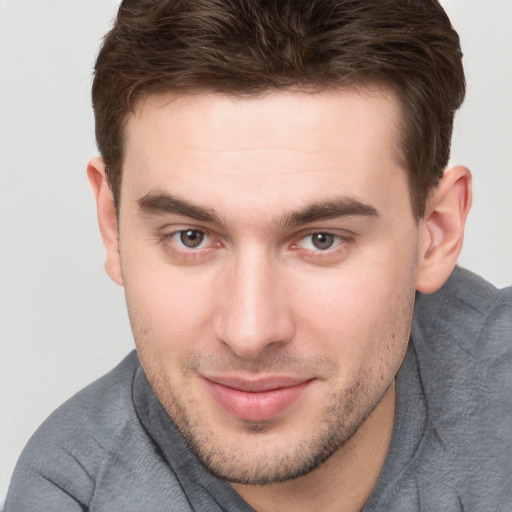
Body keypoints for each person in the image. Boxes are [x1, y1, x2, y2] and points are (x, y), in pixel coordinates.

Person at [5, 0, 512, 510]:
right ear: (114, 226)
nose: (249, 333)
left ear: (436, 232)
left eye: (322, 240)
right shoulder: (70, 495)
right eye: (191, 237)